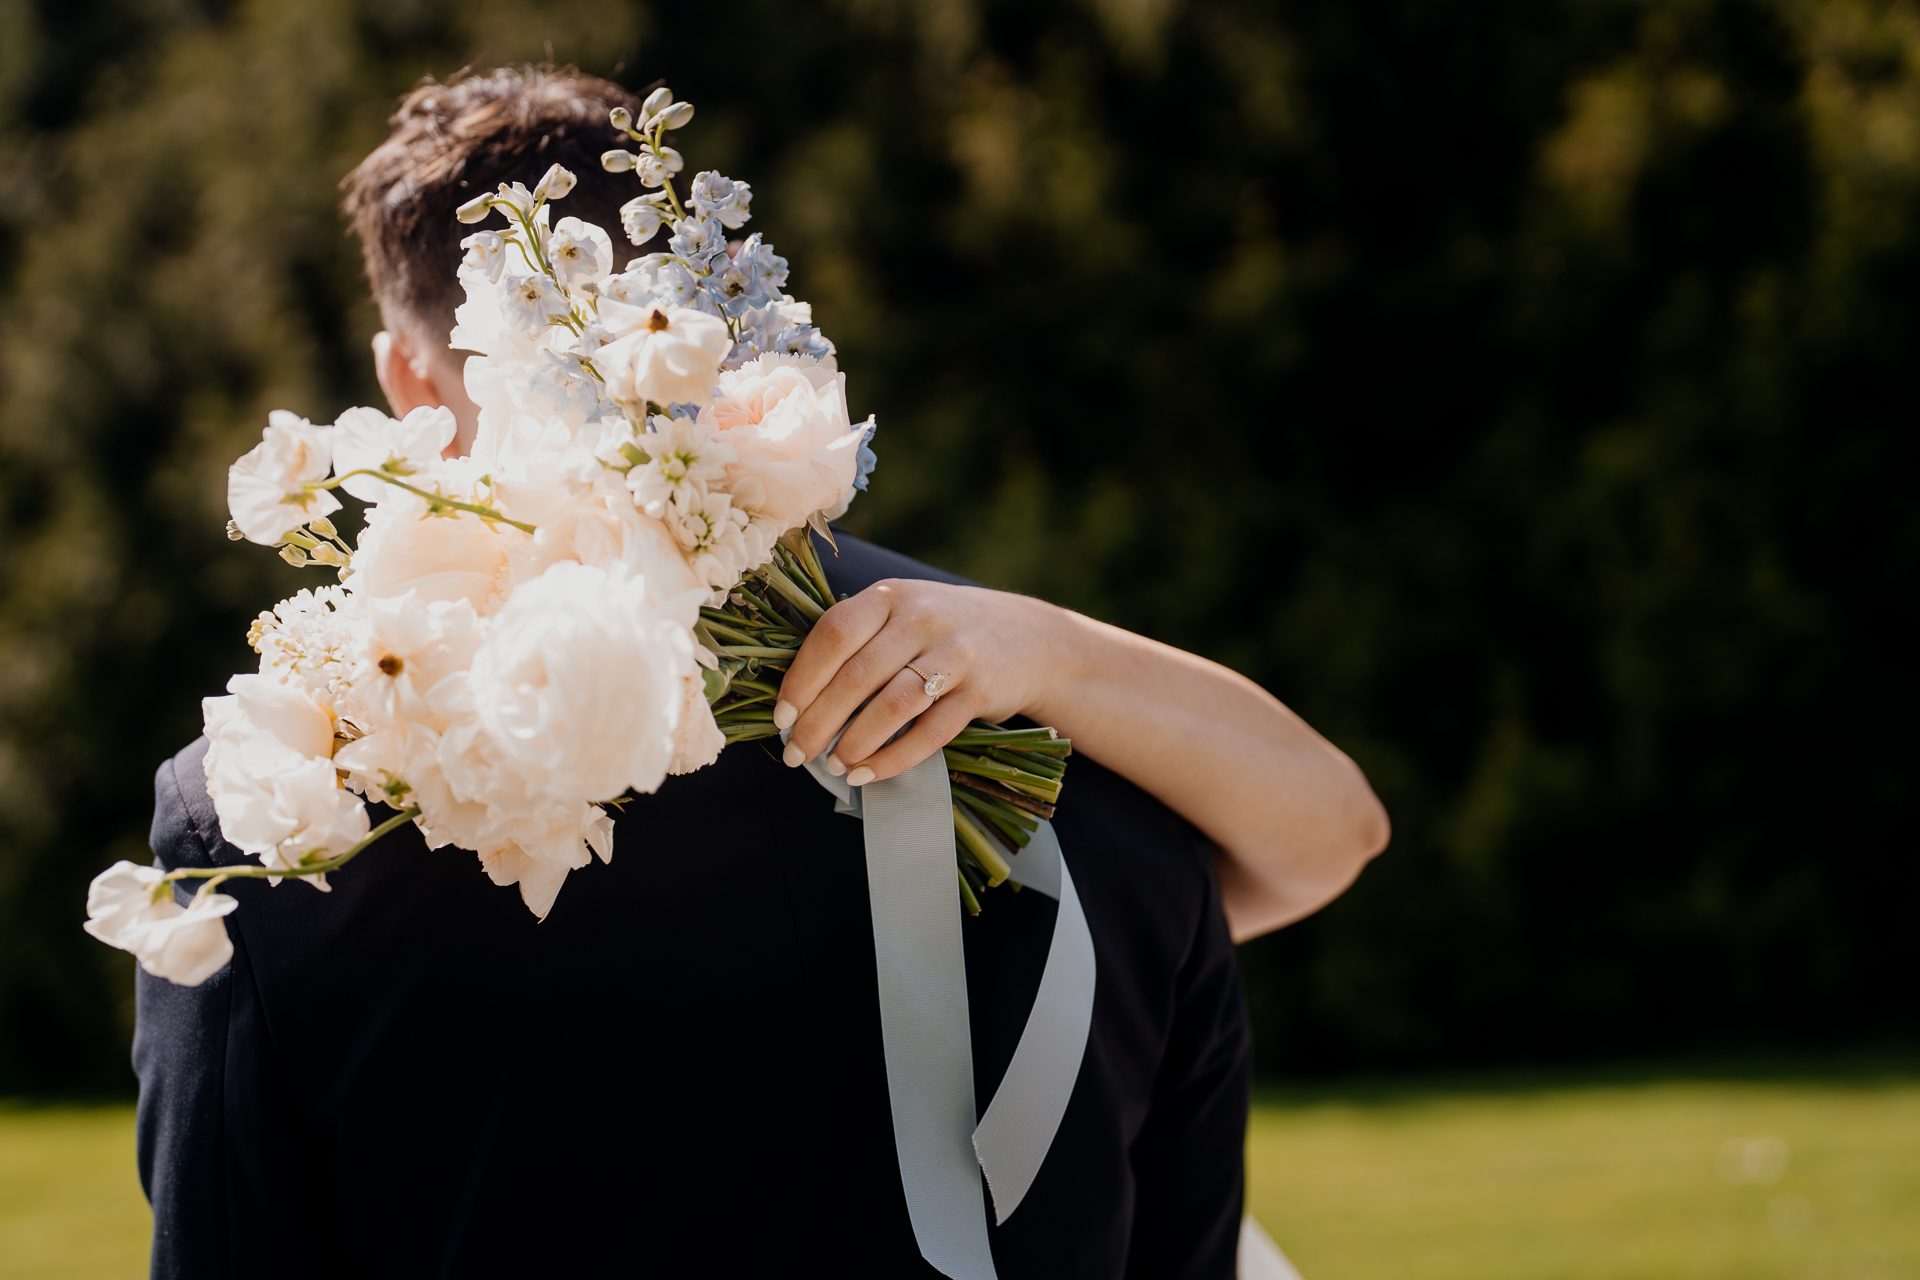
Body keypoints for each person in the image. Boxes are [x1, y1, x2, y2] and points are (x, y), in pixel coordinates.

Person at [133, 66, 1388, 1278]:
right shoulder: (1095, 752)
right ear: (708, 319)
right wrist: (1050, 649)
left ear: (407, 382)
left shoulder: (284, 804)